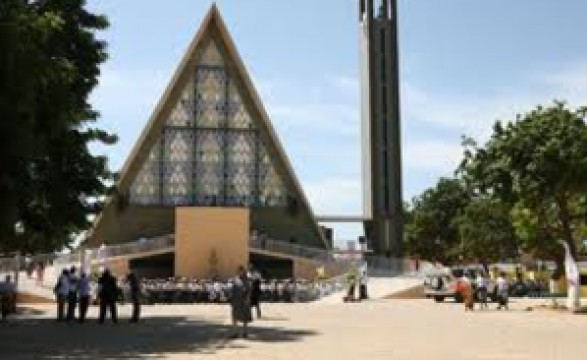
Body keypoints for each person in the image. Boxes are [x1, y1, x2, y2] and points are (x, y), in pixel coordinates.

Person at [230, 265, 252, 338]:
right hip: (236, 301)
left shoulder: (247, 280)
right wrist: (231, 299)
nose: (240, 272)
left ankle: (245, 332)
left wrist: (247, 299)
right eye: (239, 271)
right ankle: (235, 332)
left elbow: (249, 290)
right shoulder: (235, 280)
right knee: (234, 317)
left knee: (245, 318)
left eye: (241, 271)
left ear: (243, 271)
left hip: (244, 300)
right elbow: (232, 290)